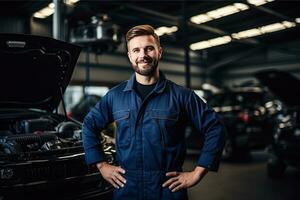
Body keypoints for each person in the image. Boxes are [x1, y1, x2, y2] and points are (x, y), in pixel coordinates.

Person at [82, 24, 226, 200]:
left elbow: (215, 127)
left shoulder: (182, 96)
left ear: (159, 52)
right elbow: (89, 125)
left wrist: (197, 173)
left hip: (167, 188)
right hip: (127, 187)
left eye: (149, 48)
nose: (142, 55)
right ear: (129, 56)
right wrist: (101, 164)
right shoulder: (115, 96)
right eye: (136, 50)